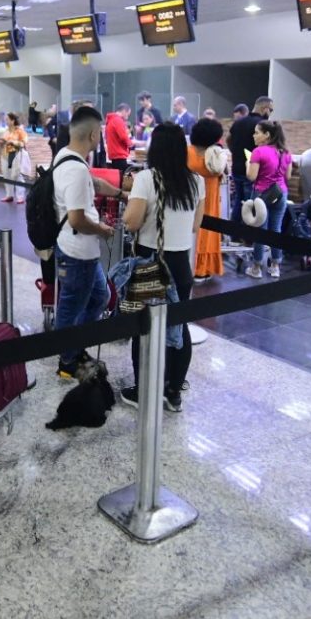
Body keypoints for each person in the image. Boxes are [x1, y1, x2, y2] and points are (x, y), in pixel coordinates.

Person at [119, 123, 203, 411]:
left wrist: (132, 204)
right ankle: (173, 391)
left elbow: (132, 222)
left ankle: (144, 390)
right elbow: (195, 225)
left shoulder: (146, 178)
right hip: (181, 264)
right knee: (179, 327)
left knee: (143, 326)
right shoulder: (196, 181)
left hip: (150, 262)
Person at [51, 106, 117, 381]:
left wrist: (121, 193)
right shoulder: (75, 169)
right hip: (77, 252)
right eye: (99, 132)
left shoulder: (66, 157)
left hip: (79, 250)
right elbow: (77, 219)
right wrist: (102, 229)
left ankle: (76, 348)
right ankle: (67, 361)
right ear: (92, 134)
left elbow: (95, 183)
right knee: (71, 307)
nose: (100, 137)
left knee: (100, 297)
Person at [245, 120, 293, 279]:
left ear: (267, 135)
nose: (254, 135)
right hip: (281, 194)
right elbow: (288, 176)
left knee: (261, 231)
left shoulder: (258, 152)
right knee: (276, 229)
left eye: (257, 132)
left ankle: (256, 267)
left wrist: (248, 164)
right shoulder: (286, 152)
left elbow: (251, 176)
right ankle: (275, 266)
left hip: (261, 194)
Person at [188, 118, 228, 281]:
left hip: (189, 199)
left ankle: (189, 266)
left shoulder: (186, 152)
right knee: (208, 232)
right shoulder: (216, 155)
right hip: (210, 199)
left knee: (190, 231)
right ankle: (203, 268)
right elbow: (223, 172)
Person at [228, 97, 273, 227]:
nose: (270, 113)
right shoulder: (262, 125)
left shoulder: (238, 122)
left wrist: (236, 152)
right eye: (270, 110)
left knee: (238, 202)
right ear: (264, 108)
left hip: (237, 167)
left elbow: (229, 140)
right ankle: (247, 235)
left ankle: (233, 232)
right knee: (251, 205)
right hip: (253, 170)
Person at [0, 112, 27, 204]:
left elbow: (23, 143)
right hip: (5, 155)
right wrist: (1, 142)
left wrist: (14, 142)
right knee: (6, 175)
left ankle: (20, 196)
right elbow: (3, 142)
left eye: (7, 119)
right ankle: (9, 195)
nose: (6, 121)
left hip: (15, 155)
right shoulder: (6, 131)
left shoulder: (19, 131)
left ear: (12, 120)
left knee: (17, 175)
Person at [104, 102, 133, 170]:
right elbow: (123, 137)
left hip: (114, 155)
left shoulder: (111, 120)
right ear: (124, 111)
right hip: (119, 155)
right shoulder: (118, 120)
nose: (127, 117)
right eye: (127, 114)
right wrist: (131, 143)